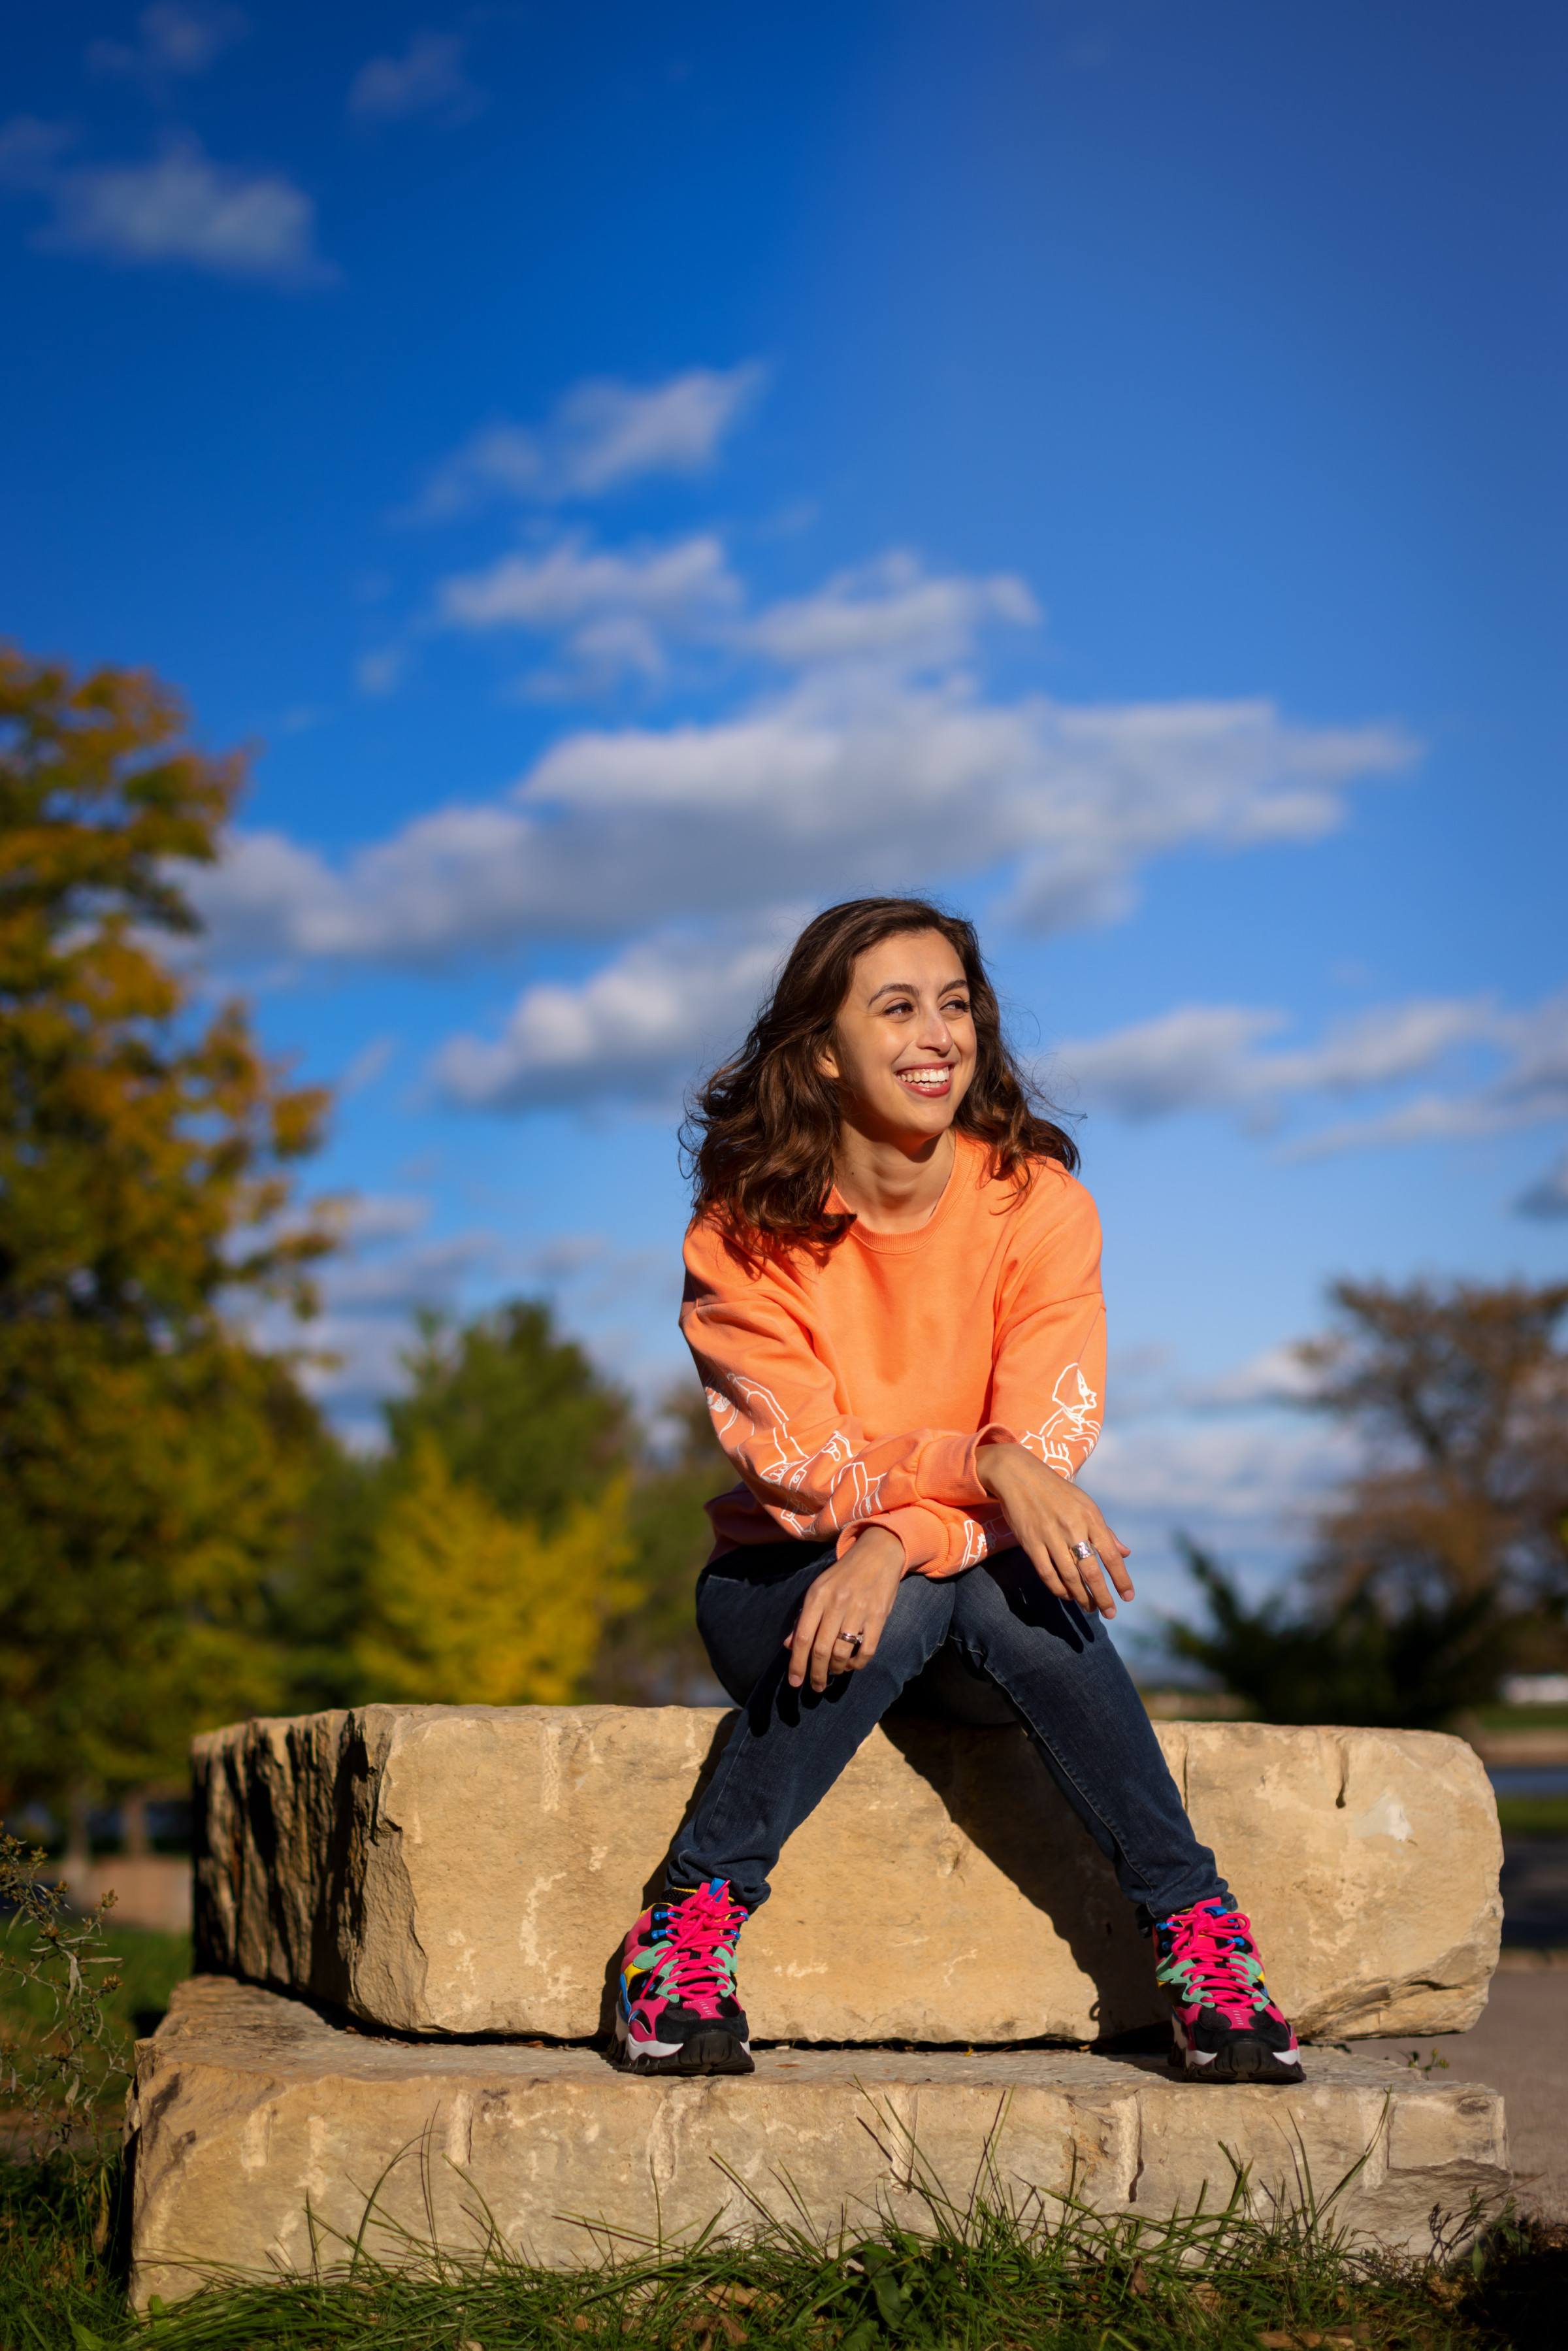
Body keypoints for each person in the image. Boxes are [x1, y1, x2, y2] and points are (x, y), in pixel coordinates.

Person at [614, 896, 1301, 2087]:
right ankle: (684, 1932)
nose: (940, 1034)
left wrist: (902, 1536)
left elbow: (1051, 1433)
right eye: (897, 1008)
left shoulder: (1039, 1206)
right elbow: (802, 1466)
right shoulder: (743, 1235)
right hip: (781, 1588)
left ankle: (1197, 1938)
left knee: (959, 1591)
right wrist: (974, 1465)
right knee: (935, 1589)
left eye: (956, 1004)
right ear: (823, 1051)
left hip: (974, 1598)